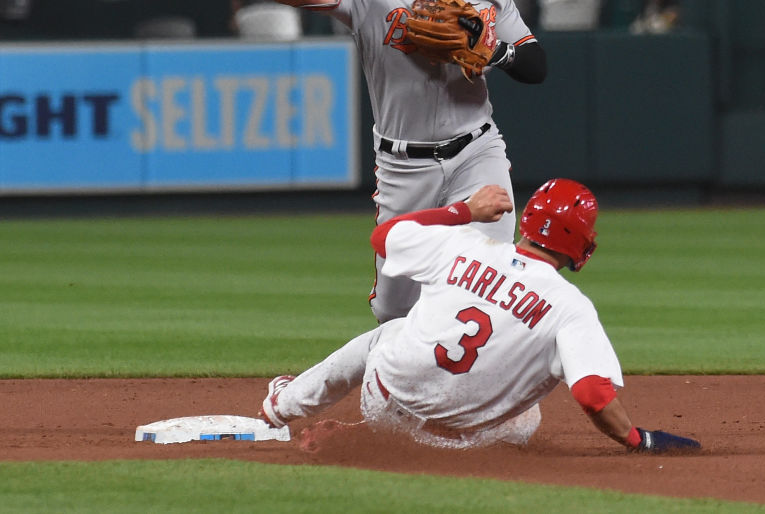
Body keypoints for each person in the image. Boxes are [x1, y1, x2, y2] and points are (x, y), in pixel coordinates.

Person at [146, 0, 547, 323]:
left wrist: (495, 51)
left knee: (495, 281)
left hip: (477, 151)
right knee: (394, 311)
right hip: (403, 166)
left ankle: (496, 392)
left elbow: (535, 66)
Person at [256, 179, 702, 453]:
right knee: (531, 409)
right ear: (581, 240)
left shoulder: (465, 243)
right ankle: (405, 445)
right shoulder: (571, 308)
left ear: (528, 221)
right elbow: (590, 393)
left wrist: (463, 212)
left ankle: (283, 405)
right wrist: (637, 440)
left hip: (384, 398)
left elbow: (383, 236)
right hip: (459, 444)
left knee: (388, 334)